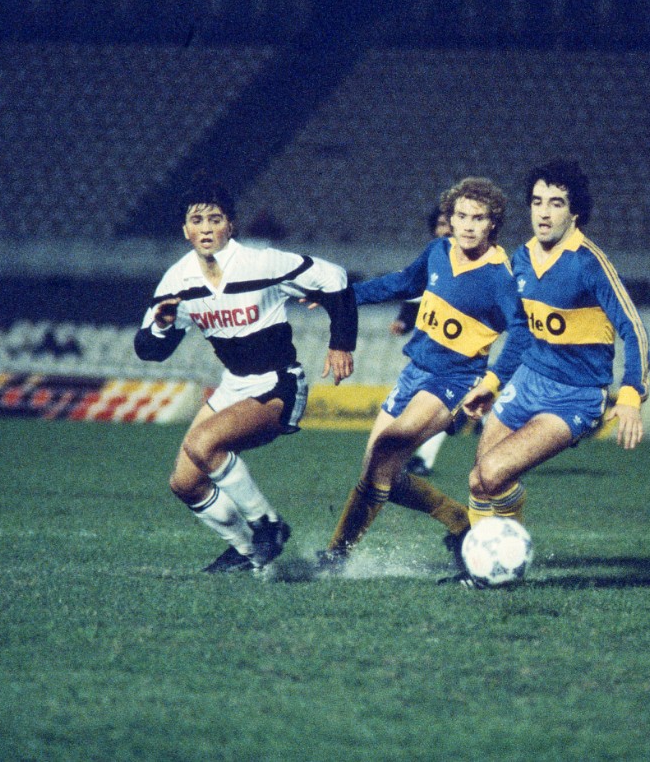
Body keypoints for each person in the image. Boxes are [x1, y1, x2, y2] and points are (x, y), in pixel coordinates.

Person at [135, 178, 357, 574]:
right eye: (197, 220)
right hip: (233, 386)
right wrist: (164, 324)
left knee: (204, 444)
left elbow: (335, 277)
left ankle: (267, 524)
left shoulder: (261, 262)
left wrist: (341, 343)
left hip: (279, 384)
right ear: (185, 230)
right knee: (185, 483)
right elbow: (150, 350)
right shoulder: (177, 280)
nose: (206, 228)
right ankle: (245, 550)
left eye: (215, 219)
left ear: (231, 225)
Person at [312, 177, 531, 573]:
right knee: (380, 474)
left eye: (477, 218)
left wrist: (492, 381)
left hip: (454, 381)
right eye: (460, 215)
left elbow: (523, 332)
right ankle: (461, 523)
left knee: (385, 452)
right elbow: (400, 284)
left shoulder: (499, 275)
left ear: (492, 224)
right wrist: (340, 297)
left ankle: (336, 557)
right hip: (415, 371)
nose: (466, 225)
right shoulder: (438, 251)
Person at [451, 159, 650, 585]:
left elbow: (633, 329)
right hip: (527, 380)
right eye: (537, 202)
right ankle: (485, 571)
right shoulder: (520, 259)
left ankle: (504, 562)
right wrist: (492, 382)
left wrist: (631, 395)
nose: (543, 212)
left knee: (493, 474)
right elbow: (521, 333)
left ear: (573, 212)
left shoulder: (588, 263)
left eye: (555, 203)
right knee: (477, 480)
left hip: (575, 395)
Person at [395, 205, 454, 477]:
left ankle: (423, 460)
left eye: (450, 223)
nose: (446, 229)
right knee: (423, 404)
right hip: (427, 346)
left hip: (457, 347)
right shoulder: (430, 261)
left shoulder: (475, 260)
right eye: (442, 224)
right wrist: (404, 321)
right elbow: (415, 294)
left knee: (441, 405)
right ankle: (416, 457)